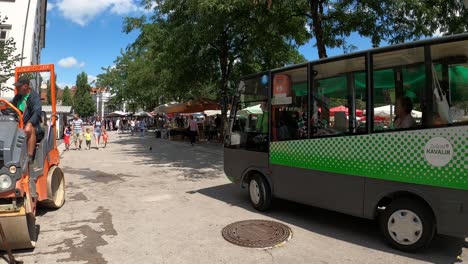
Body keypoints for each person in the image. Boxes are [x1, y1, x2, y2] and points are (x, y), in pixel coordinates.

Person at [10, 76, 43, 161]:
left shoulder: (34, 97)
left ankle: (29, 157)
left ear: (25, 86)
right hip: (18, 123)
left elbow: (37, 112)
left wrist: (30, 123)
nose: (16, 88)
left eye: (18, 86)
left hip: (33, 126)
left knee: (30, 128)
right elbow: (10, 108)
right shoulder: (17, 97)